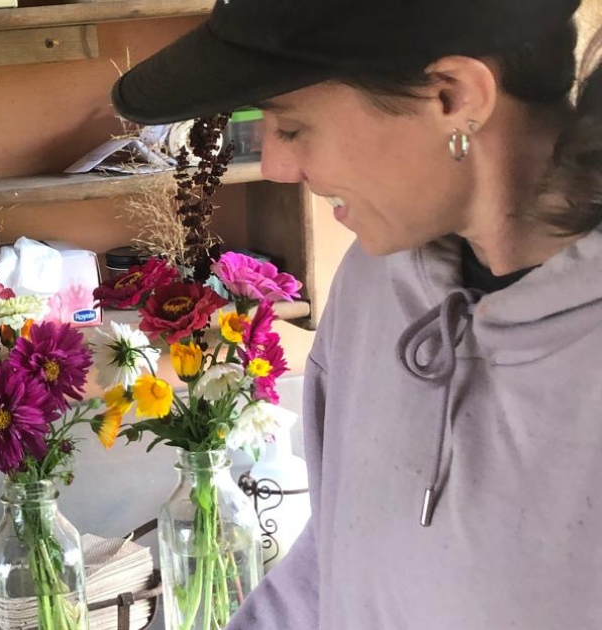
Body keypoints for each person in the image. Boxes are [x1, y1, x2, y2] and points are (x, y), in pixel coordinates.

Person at [113, 0, 602, 628]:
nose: (276, 166)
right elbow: (338, 563)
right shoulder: (379, 281)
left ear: (454, 96)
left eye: (291, 127)